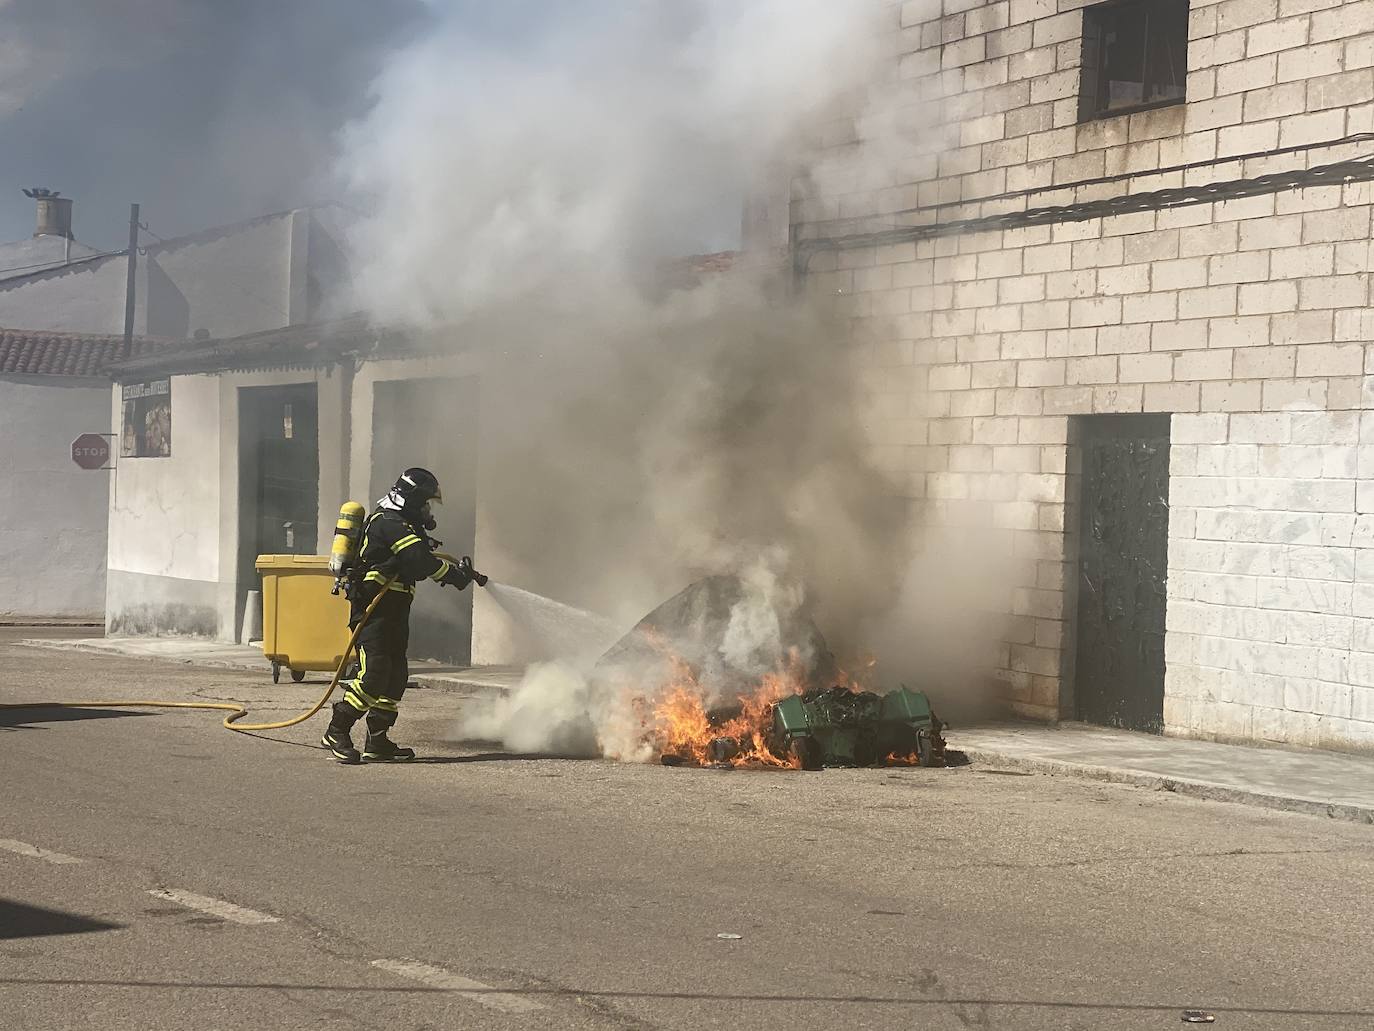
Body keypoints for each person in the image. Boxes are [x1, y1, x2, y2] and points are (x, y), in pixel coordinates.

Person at [321, 467, 486, 764]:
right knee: (374, 674)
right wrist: (453, 575)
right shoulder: (389, 522)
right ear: (412, 499)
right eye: (425, 503)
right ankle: (337, 729)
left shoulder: (404, 525)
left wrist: (454, 571)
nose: (427, 510)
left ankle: (378, 741)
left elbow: (416, 561)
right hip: (373, 611)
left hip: (395, 610)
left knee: (396, 677)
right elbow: (418, 561)